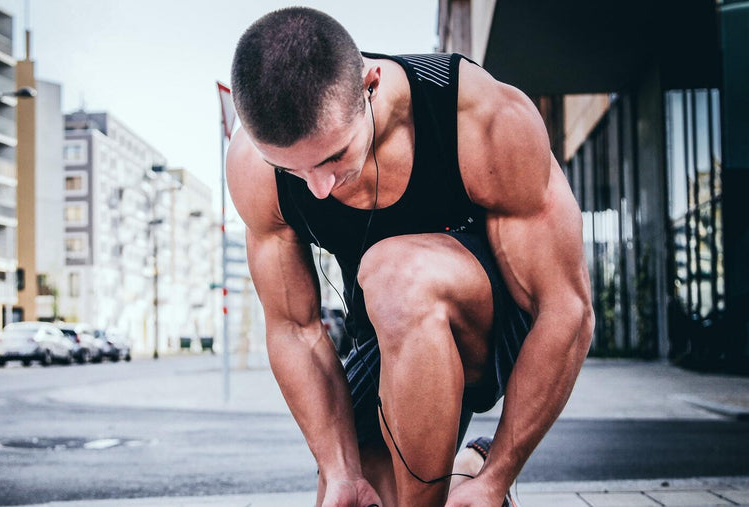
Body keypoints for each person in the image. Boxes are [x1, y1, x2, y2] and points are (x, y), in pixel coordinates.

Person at [225, 7, 594, 507]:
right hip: (388, 336)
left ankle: (476, 472)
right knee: (360, 498)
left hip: (498, 327)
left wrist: (499, 478)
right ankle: (464, 468)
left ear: (370, 84)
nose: (318, 186)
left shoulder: (478, 116)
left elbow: (566, 310)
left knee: (396, 273)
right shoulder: (252, 167)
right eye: (290, 169)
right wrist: (339, 471)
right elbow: (294, 328)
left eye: (334, 156)